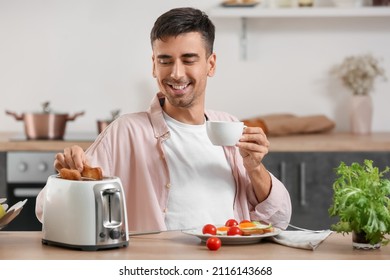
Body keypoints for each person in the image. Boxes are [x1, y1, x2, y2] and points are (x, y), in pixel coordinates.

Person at [35, 7, 291, 232]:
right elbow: (48, 211)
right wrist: (70, 178)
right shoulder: (126, 131)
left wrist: (255, 167)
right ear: (154, 66)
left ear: (210, 65)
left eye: (189, 59)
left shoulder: (230, 125)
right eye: (165, 61)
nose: (176, 73)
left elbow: (278, 219)